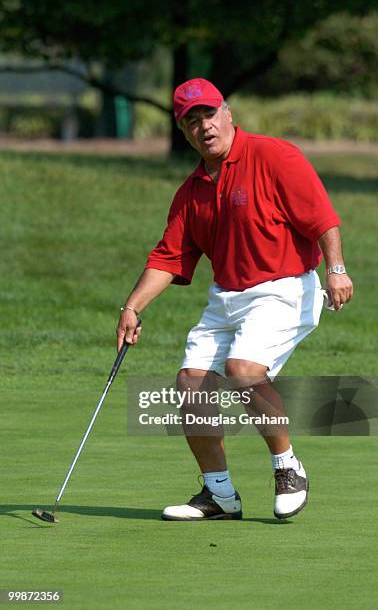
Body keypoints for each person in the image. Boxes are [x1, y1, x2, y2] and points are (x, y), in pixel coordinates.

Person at [116, 78, 353, 521]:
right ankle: (219, 495)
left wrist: (335, 269)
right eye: (192, 121)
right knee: (191, 385)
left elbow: (322, 218)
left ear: (227, 114)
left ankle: (287, 467)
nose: (204, 126)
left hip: (284, 289)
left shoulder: (274, 156)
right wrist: (132, 308)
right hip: (226, 297)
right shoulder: (191, 193)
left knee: (243, 370)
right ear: (183, 132)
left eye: (209, 114)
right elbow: (169, 258)